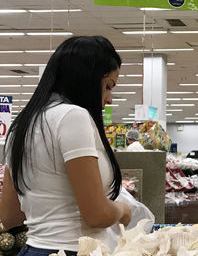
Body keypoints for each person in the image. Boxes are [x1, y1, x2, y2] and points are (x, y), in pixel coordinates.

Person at [0, 36, 131, 256]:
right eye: (108, 86)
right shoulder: (73, 117)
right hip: (73, 250)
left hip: (34, 249)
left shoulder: (22, 125)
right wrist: (122, 210)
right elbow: (96, 215)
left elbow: (9, 216)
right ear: (88, 79)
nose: (109, 98)